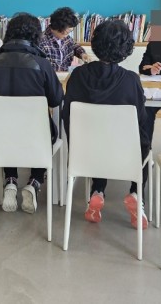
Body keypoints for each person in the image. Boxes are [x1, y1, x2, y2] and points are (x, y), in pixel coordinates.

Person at [64, 19, 150, 228]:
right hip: (124, 154)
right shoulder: (130, 80)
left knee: (98, 139)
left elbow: (67, 115)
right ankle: (136, 194)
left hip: (84, 151)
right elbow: (140, 120)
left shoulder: (77, 76)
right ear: (126, 48)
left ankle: (97, 190)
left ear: (95, 43)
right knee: (144, 143)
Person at [0, 12, 64, 214]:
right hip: (35, 137)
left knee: (7, 130)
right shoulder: (42, 64)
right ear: (36, 35)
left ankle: (10, 181)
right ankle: (34, 182)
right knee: (43, 132)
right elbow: (56, 99)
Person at [39, 6, 89, 71]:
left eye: (70, 32)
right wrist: (73, 69)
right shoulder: (42, 42)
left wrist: (82, 54)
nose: (67, 35)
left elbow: (74, 46)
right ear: (57, 28)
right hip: (54, 75)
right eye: (67, 32)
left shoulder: (65, 37)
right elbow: (47, 67)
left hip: (66, 73)